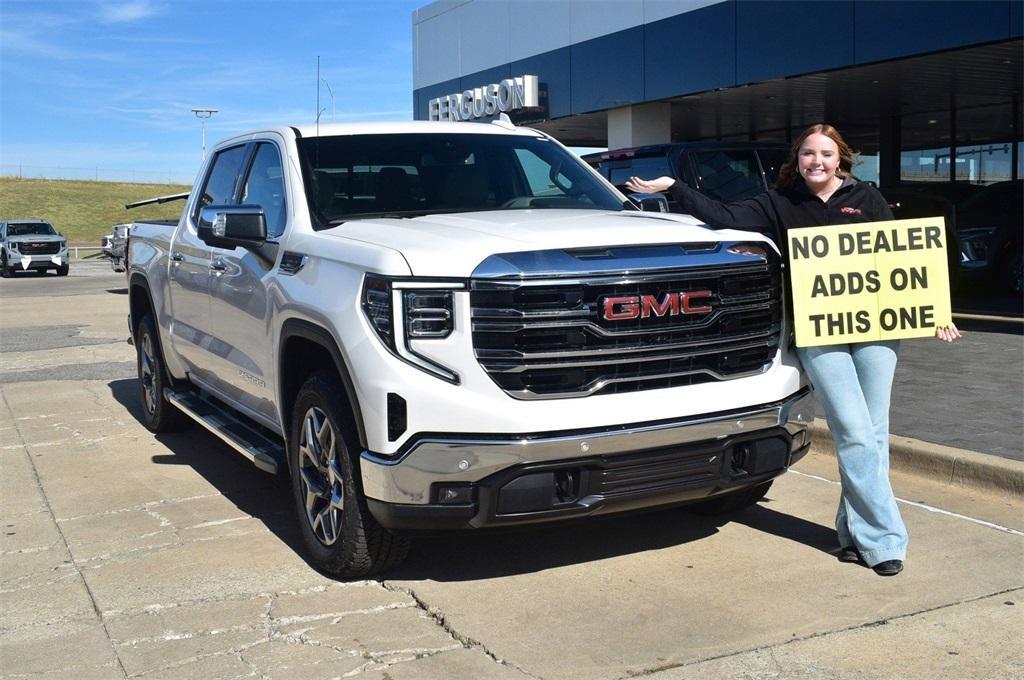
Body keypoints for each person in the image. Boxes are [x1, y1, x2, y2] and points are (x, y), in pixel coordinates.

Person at [626, 124, 961, 576]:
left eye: (825, 153)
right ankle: (886, 541)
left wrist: (935, 309)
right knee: (854, 431)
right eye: (807, 154)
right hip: (820, 331)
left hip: (877, 329)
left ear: (841, 157)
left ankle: (853, 533)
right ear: (797, 159)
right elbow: (723, 215)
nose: (816, 161)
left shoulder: (868, 200)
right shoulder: (779, 201)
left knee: (873, 433)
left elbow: (899, 260)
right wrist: (675, 188)